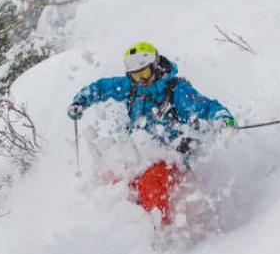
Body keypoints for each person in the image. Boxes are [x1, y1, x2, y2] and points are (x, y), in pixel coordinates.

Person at [67, 42, 235, 225]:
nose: (141, 80)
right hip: (143, 156)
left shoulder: (176, 90)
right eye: (135, 75)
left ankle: (161, 232)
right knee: (115, 183)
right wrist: (80, 101)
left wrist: (222, 118)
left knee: (149, 183)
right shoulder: (131, 87)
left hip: (174, 156)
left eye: (144, 73)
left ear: (155, 66)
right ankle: (115, 230)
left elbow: (207, 106)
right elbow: (101, 88)